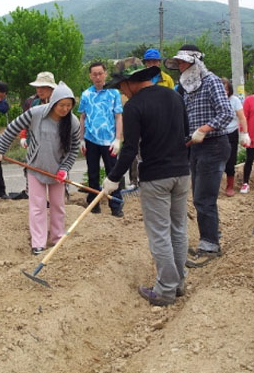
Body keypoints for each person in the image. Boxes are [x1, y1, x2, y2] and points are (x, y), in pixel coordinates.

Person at [101, 64, 190, 306]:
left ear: (131, 82)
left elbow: (130, 149)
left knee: (159, 233)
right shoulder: (175, 97)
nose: (122, 92)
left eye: (122, 86)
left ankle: (165, 290)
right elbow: (187, 133)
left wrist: (113, 177)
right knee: (178, 228)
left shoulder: (135, 106)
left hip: (156, 177)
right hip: (182, 173)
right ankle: (179, 282)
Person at [0, 82, 81, 254]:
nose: (64, 109)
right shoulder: (36, 113)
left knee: (58, 205)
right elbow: (12, 128)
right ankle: (38, 243)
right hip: (35, 167)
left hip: (58, 171)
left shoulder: (73, 122)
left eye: (68, 106)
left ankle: (57, 238)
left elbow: (74, 149)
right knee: (37, 206)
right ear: (53, 102)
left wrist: (64, 169)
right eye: (61, 105)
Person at [164, 45, 232, 264]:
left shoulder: (211, 82)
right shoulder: (185, 88)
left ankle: (210, 245)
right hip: (197, 146)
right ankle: (209, 237)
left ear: (195, 64)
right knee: (199, 196)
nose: (180, 68)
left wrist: (204, 129)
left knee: (204, 197)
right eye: (179, 65)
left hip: (214, 145)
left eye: (183, 63)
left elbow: (226, 114)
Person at [79, 62, 124, 217]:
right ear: (90, 76)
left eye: (100, 73)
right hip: (91, 139)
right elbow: (83, 117)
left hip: (109, 140)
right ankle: (94, 204)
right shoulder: (86, 94)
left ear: (105, 73)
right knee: (93, 173)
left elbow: (118, 117)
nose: (97, 77)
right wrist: (81, 139)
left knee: (113, 173)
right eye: (94, 74)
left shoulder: (114, 93)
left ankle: (116, 205)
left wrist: (118, 138)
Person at [12, 71, 56, 200]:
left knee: (54, 172)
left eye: (43, 87)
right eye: (38, 87)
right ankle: (31, 193)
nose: (40, 90)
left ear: (51, 88)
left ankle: (55, 197)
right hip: (34, 142)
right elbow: (26, 121)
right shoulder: (33, 103)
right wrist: (23, 136)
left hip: (53, 144)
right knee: (31, 169)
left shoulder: (59, 104)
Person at [222, 77, 249, 197]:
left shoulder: (234, 101)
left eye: (226, 89)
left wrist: (245, 133)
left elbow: (242, 117)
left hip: (232, 132)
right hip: (218, 133)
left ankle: (230, 186)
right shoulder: (214, 100)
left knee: (231, 160)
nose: (224, 92)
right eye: (221, 89)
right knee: (217, 159)